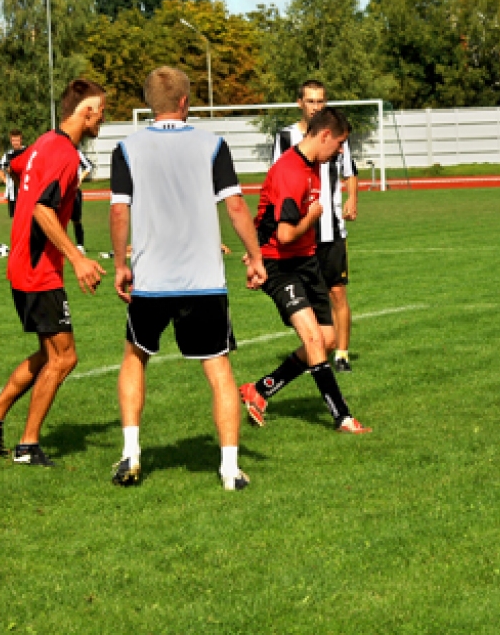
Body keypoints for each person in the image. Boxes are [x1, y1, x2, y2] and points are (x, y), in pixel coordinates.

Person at [108, 66, 267, 491]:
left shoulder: (127, 148)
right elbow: (235, 206)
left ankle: (131, 455)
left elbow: (119, 210)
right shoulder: (213, 144)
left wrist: (122, 264)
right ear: (184, 101)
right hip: (204, 280)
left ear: (149, 104)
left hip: (152, 280)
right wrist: (254, 256)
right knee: (219, 370)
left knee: (134, 358)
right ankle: (230, 470)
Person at [0, 80, 108, 466]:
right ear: (86, 112)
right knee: (64, 359)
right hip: (39, 270)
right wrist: (78, 259)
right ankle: (28, 446)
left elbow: (16, 169)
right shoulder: (64, 154)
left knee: (49, 354)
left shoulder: (42, 143)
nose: (103, 118)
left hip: (22, 264)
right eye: (102, 111)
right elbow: (43, 211)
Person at [239, 107, 371, 434]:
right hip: (279, 265)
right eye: (339, 143)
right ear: (324, 135)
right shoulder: (291, 173)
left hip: (306, 259)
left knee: (326, 339)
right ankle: (342, 416)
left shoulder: (313, 163)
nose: (341, 150)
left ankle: (259, 389)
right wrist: (312, 218)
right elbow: (284, 234)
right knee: (312, 337)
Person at [272, 80, 359, 373]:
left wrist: (352, 199)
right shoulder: (286, 138)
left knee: (337, 292)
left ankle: (342, 354)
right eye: (311, 101)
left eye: (321, 101)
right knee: (307, 298)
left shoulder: (336, 137)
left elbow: (350, 173)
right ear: (300, 103)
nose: (316, 106)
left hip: (331, 228)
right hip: (300, 232)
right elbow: (277, 180)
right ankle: (315, 350)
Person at [0, 129, 27, 218]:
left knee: (26, 219)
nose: (15, 143)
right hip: (13, 194)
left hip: (26, 192)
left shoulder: (27, 152)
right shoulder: (8, 155)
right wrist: (6, 181)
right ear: (10, 141)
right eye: (13, 140)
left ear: (21, 140)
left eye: (17, 140)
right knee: (15, 219)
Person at [69, 150, 92, 252]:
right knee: (58, 220)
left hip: (74, 191)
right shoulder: (56, 151)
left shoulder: (76, 152)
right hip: (60, 191)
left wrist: (80, 179)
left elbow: (89, 166)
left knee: (76, 219)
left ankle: (80, 245)